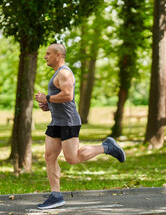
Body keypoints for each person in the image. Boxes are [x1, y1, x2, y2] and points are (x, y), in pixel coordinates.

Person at [35, 43, 126, 210]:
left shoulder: (64, 72)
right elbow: (59, 96)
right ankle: (56, 195)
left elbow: (68, 95)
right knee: (49, 156)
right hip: (56, 121)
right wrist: (49, 104)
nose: (45, 56)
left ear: (58, 55)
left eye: (48, 53)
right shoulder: (57, 74)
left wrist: (47, 98)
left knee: (72, 158)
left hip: (69, 121)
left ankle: (107, 147)